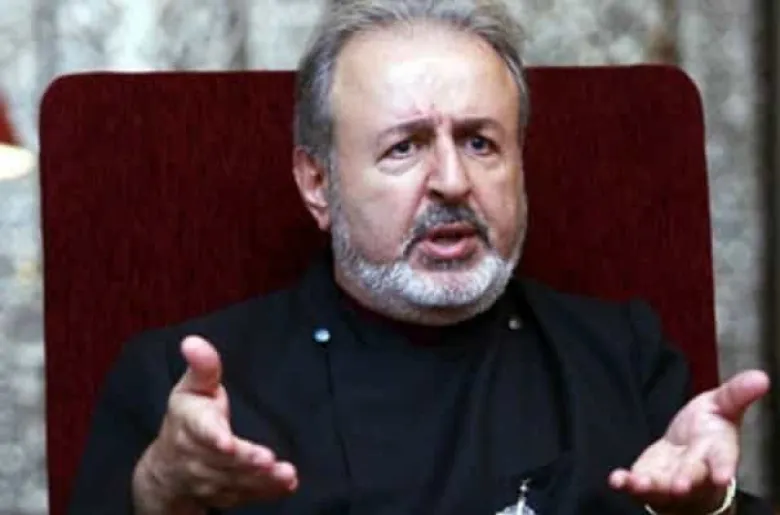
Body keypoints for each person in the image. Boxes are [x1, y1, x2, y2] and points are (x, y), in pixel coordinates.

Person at [67, 1, 772, 514]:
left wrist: (709, 508)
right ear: (317, 183)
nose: (453, 181)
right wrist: (159, 490)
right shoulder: (182, 383)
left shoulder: (622, 356)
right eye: (404, 146)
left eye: (480, 142)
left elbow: (698, 493)